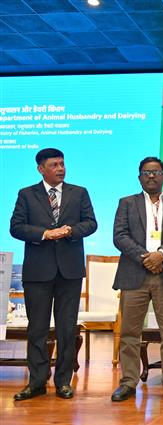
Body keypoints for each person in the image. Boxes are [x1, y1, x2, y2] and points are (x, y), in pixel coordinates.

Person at [10, 148, 97, 401]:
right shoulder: (27, 194)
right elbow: (16, 227)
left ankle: (63, 382)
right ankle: (36, 382)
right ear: (41, 169)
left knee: (67, 329)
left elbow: (91, 223)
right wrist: (45, 234)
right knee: (37, 329)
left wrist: (69, 231)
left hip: (69, 271)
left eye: (62, 164)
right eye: (55, 165)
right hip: (38, 270)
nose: (61, 168)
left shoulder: (79, 192)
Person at [110, 157, 163, 402]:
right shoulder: (126, 203)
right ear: (139, 177)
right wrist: (146, 257)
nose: (152, 176)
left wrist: (161, 255)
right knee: (129, 333)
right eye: (146, 172)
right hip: (134, 274)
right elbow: (119, 236)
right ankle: (128, 383)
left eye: (156, 172)